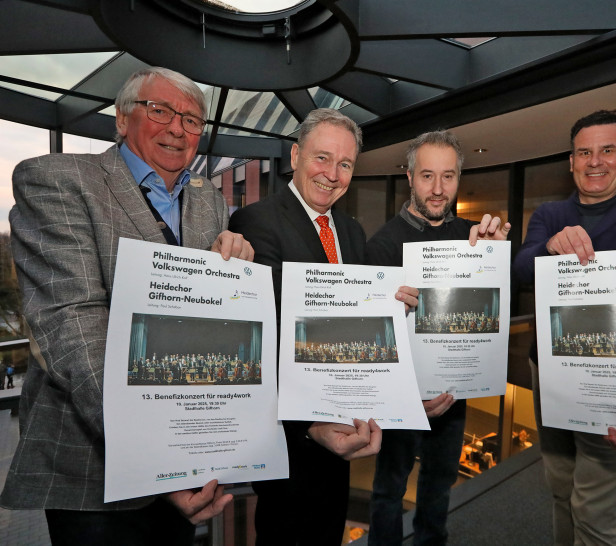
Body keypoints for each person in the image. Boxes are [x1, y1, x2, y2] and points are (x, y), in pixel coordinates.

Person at [0, 67, 254, 546]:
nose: (178, 128)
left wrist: (234, 263)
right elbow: (73, 327)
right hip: (93, 471)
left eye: (193, 121)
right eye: (160, 111)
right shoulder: (59, 180)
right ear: (121, 118)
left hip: (190, 459)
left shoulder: (210, 201)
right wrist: (159, 461)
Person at [228, 108, 418, 546]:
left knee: (330, 529)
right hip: (291, 435)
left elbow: (356, 314)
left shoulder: (351, 232)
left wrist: (392, 308)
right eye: (322, 158)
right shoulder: (256, 222)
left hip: (343, 423)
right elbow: (266, 335)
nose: (333, 175)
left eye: (346, 164)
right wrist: (308, 426)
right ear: (295, 156)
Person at [512, 109, 616, 545]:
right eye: (584, 152)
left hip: (613, 388)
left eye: (607, 150)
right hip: (549, 374)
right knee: (561, 488)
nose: (594, 162)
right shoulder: (550, 216)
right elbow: (520, 270)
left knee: (595, 511)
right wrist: (550, 247)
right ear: (571, 161)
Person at [366, 130, 510, 545]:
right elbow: (376, 338)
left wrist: (496, 256)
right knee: (390, 488)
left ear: (458, 179)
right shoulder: (382, 246)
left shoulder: (474, 239)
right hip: (401, 398)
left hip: (453, 392)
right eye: (427, 176)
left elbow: (498, 298)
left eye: (448, 177)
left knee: (439, 483)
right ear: (410, 176)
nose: (437, 188)